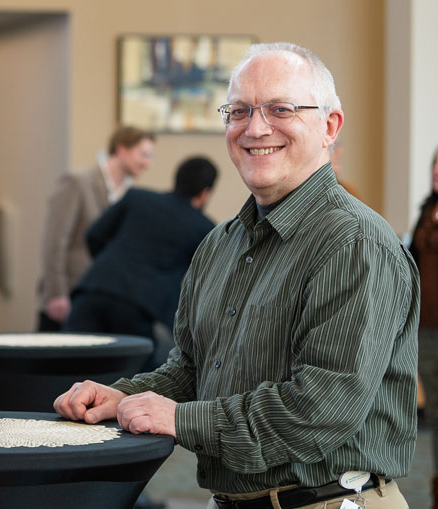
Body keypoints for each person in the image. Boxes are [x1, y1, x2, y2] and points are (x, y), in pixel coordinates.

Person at [54, 42, 418, 509]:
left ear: (330, 126)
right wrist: (121, 396)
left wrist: (181, 420)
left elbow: (319, 410)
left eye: (281, 109)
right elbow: (192, 371)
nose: (255, 128)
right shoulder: (219, 244)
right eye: (239, 111)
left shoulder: (355, 245)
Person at [64, 156, 217, 371]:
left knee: (70, 366)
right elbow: (203, 281)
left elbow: (94, 235)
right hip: (139, 307)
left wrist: (110, 270)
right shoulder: (203, 228)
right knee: (131, 376)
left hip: (94, 289)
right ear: (205, 193)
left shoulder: (137, 197)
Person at [37, 126, 155, 331]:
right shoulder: (77, 182)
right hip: (70, 294)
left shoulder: (130, 194)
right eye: (144, 155)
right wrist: (56, 293)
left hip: (104, 302)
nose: (148, 163)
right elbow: (55, 241)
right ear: (121, 150)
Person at [410, 147, 438, 509]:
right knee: (435, 412)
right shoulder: (426, 210)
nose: (436, 173)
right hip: (427, 328)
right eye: (435, 167)